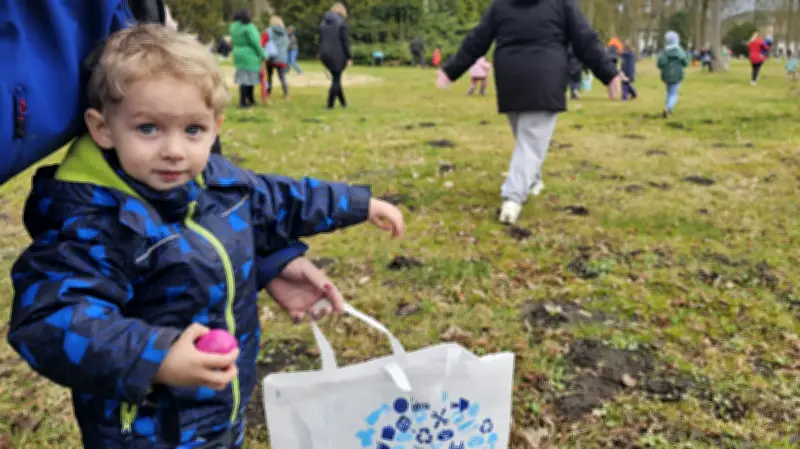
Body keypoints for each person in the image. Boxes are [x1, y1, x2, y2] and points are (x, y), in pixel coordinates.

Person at [7, 24, 405, 448]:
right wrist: (155, 356)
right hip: (145, 431)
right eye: (148, 129)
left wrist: (357, 205)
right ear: (103, 128)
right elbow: (50, 319)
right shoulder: (92, 224)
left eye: (192, 130)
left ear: (215, 127)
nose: (174, 150)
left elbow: (280, 200)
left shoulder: (215, 182)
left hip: (219, 411)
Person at [436, 0, 624, 225]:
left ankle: (533, 181)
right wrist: (610, 73)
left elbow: (477, 40)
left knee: (526, 138)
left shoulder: (501, 5)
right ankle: (513, 197)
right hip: (545, 77)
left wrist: (451, 70)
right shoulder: (561, 4)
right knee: (531, 141)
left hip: (510, 80)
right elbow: (585, 40)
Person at [319, 2, 352, 109]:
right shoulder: (342, 24)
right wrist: (349, 56)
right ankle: (330, 104)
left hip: (325, 54)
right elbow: (345, 42)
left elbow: (321, 39)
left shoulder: (323, 23)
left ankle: (343, 103)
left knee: (336, 78)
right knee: (336, 80)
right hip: (338, 55)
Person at [230, 8, 264, 108]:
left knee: (243, 78)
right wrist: (262, 54)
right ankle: (245, 102)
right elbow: (255, 42)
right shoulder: (249, 27)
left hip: (238, 53)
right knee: (249, 79)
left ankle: (248, 100)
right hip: (250, 55)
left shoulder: (233, 26)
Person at [657, 30, 689, 118]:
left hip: (666, 75)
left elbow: (660, 63)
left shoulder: (664, 52)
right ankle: (669, 108)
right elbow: (685, 62)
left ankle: (667, 108)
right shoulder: (680, 51)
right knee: (673, 93)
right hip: (677, 75)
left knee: (669, 91)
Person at [263, 15, 291, 99]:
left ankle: (268, 92)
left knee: (269, 77)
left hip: (270, 57)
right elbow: (288, 44)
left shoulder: (268, 31)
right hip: (282, 58)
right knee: (282, 77)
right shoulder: (285, 32)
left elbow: (262, 43)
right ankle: (286, 94)